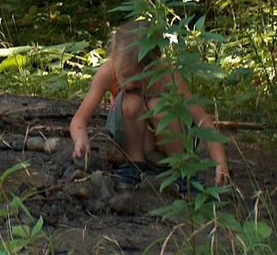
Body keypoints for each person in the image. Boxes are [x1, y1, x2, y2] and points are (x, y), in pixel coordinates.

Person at [70, 20, 230, 187]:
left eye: (136, 79)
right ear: (114, 58)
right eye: (124, 75)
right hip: (137, 137)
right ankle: (135, 164)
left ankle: (180, 169)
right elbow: (80, 119)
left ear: (153, 66)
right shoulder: (108, 71)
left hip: (171, 140)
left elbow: (201, 119)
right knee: (130, 102)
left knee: (159, 107)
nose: (127, 83)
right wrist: (80, 138)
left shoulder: (167, 76)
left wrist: (220, 163)